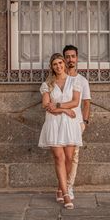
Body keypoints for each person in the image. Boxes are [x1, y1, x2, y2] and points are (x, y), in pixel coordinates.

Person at [38, 53, 83, 209]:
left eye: (60, 63)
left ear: (64, 63)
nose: (58, 66)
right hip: (54, 124)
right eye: (55, 64)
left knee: (69, 158)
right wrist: (64, 110)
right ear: (52, 67)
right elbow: (46, 106)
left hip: (70, 125)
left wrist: (58, 106)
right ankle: (65, 195)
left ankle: (60, 187)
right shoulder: (47, 84)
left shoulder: (75, 81)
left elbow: (75, 102)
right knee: (59, 158)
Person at [62, 44, 91, 200]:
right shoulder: (59, 78)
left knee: (73, 156)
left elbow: (86, 103)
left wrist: (84, 122)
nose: (70, 59)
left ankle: (69, 187)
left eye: (73, 56)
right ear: (63, 58)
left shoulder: (82, 80)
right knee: (60, 156)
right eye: (67, 56)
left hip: (76, 122)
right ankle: (62, 187)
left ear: (77, 58)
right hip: (59, 122)